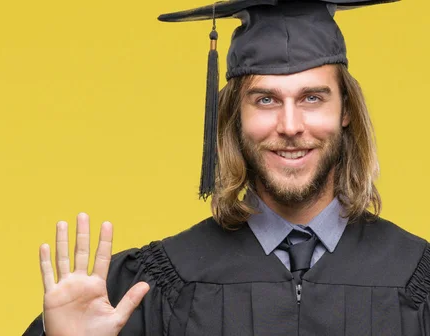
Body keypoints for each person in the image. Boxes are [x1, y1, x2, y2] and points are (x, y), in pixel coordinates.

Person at [24, 0, 430, 335]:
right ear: (235, 114)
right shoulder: (151, 288)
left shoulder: (418, 279)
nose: (290, 126)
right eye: (265, 100)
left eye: (312, 98)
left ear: (345, 111)